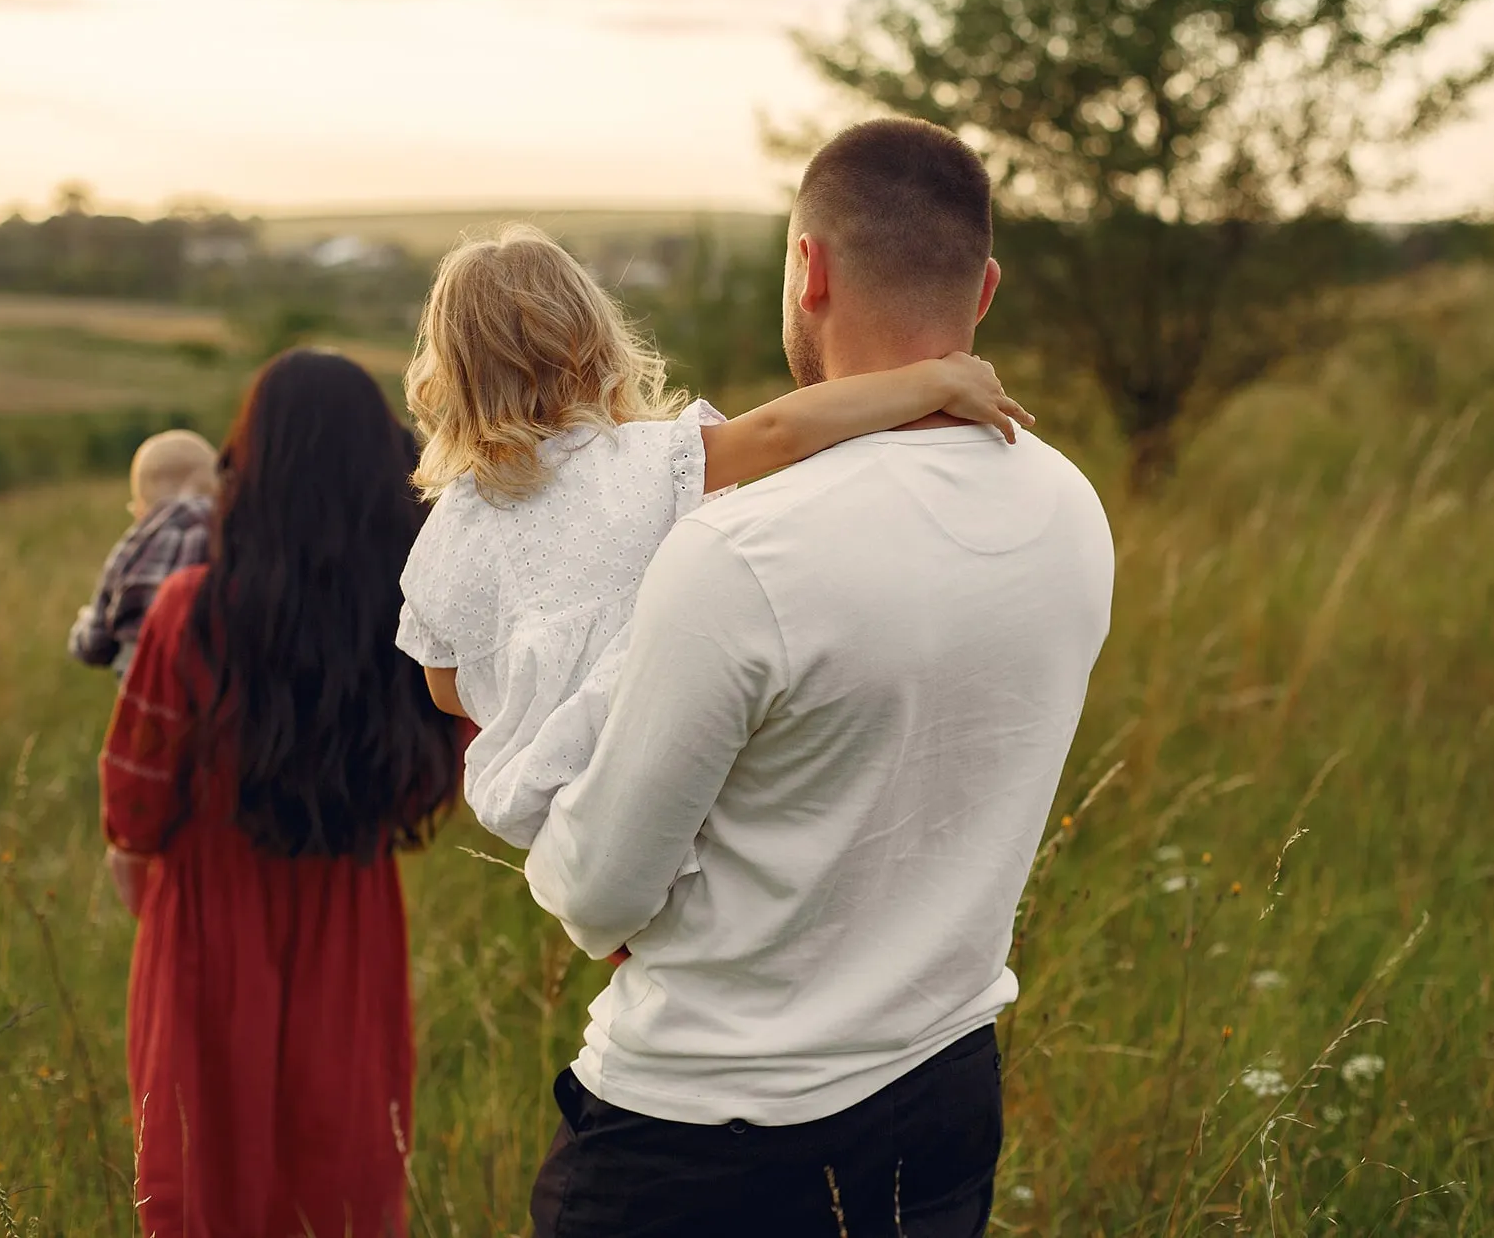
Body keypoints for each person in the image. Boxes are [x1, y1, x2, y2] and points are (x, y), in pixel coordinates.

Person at [522, 119, 1117, 1237]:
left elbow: (596, 894)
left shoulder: (741, 550)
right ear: (981, 289)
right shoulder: (1068, 507)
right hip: (942, 1091)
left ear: (809, 267)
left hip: (702, 1142)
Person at [394, 223, 1034, 850]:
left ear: (451, 373)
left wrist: (540, 677)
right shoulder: (643, 460)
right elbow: (781, 432)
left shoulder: (453, 525)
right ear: (590, 342)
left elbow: (446, 685)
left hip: (551, 808)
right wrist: (934, 381)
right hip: (677, 776)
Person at [99, 351, 464, 1238]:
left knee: (203, 1184)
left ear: (247, 466)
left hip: (204, 933)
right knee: (337, 1184)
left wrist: (167, 907)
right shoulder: (417, 617)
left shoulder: (188, 612)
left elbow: (132, 819)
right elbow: (453, 762)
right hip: (352, 920)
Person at [68, 429, 218, 678]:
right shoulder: (238, 537)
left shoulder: (131, 550)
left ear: (140, 509)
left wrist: (82, 629)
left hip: (145, 696)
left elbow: (95, 643)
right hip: (218, 690)